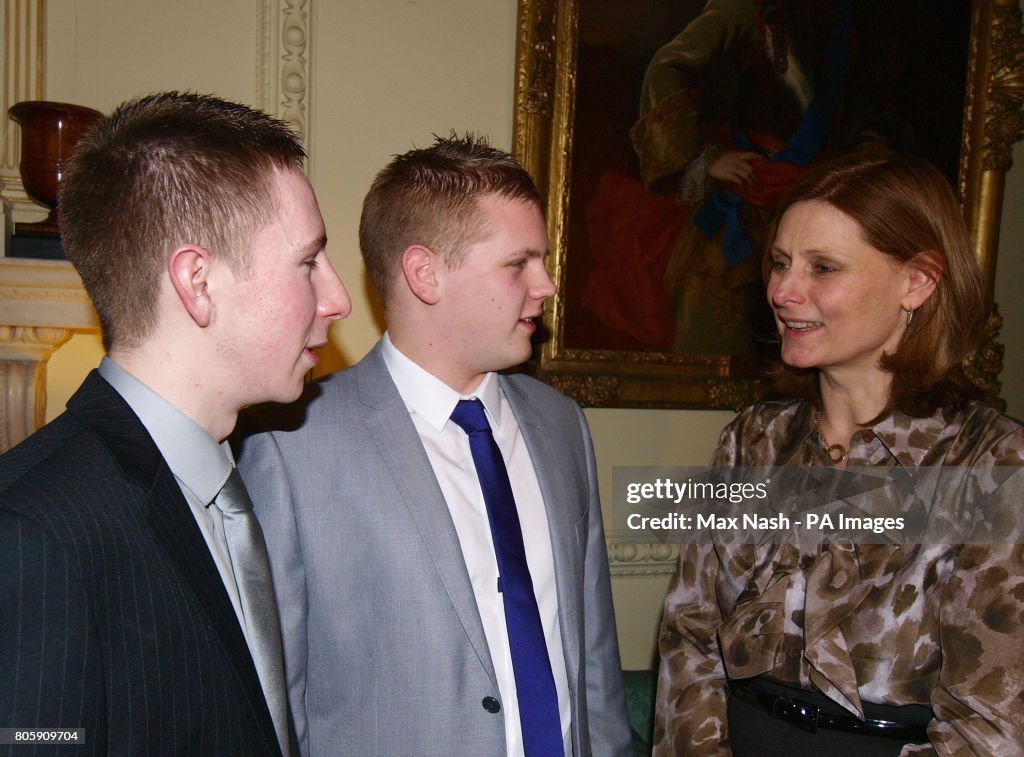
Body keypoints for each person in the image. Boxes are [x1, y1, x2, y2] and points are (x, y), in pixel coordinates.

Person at [235, 134, 632, 756]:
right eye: (518, 263)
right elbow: (272, 700)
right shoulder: (291, 447)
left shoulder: (562, 426)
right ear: (426, 274)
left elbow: (594, 662)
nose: (548, 285)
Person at [0, 92, 351, 756]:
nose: (338, 298)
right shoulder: (35, 535)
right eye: (308, 261)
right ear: (198, 282)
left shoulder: (225, 489)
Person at [653, 151, 1024, 755]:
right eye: (779, 264)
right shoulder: (752, 440)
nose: (782, 291)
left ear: (918, 281)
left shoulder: (993, 464)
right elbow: (689, 638)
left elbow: (991, 727)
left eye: (822, 267)